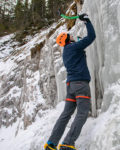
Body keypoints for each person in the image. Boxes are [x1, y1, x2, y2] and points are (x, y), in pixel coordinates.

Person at [44, 14, 96, 150]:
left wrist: (78, 43)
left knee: (66, 114)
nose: (72, 36)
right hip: (80, 85)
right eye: (70, 36)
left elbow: (79, 47)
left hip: (71, 86)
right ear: (67, 39)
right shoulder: (74, 47)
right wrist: (87, 21)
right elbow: (91, 38)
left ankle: (51, 143)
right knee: (82, 113)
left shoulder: (67, 51)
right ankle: (68, 143)